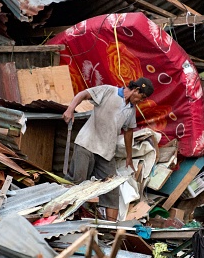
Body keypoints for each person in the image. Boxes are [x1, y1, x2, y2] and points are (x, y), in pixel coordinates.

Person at [62, 77, 154, 218]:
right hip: (87, 144)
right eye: (141, 97)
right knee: (77, 184)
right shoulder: (108, 91)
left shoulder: (130, 109)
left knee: (112, 190)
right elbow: (83, 94)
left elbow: (128, 131)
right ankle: (66, 218)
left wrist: (129, 156)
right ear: (135, 90)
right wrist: (70, 109)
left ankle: (111, 231)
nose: (140, 101)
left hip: (106, 152)